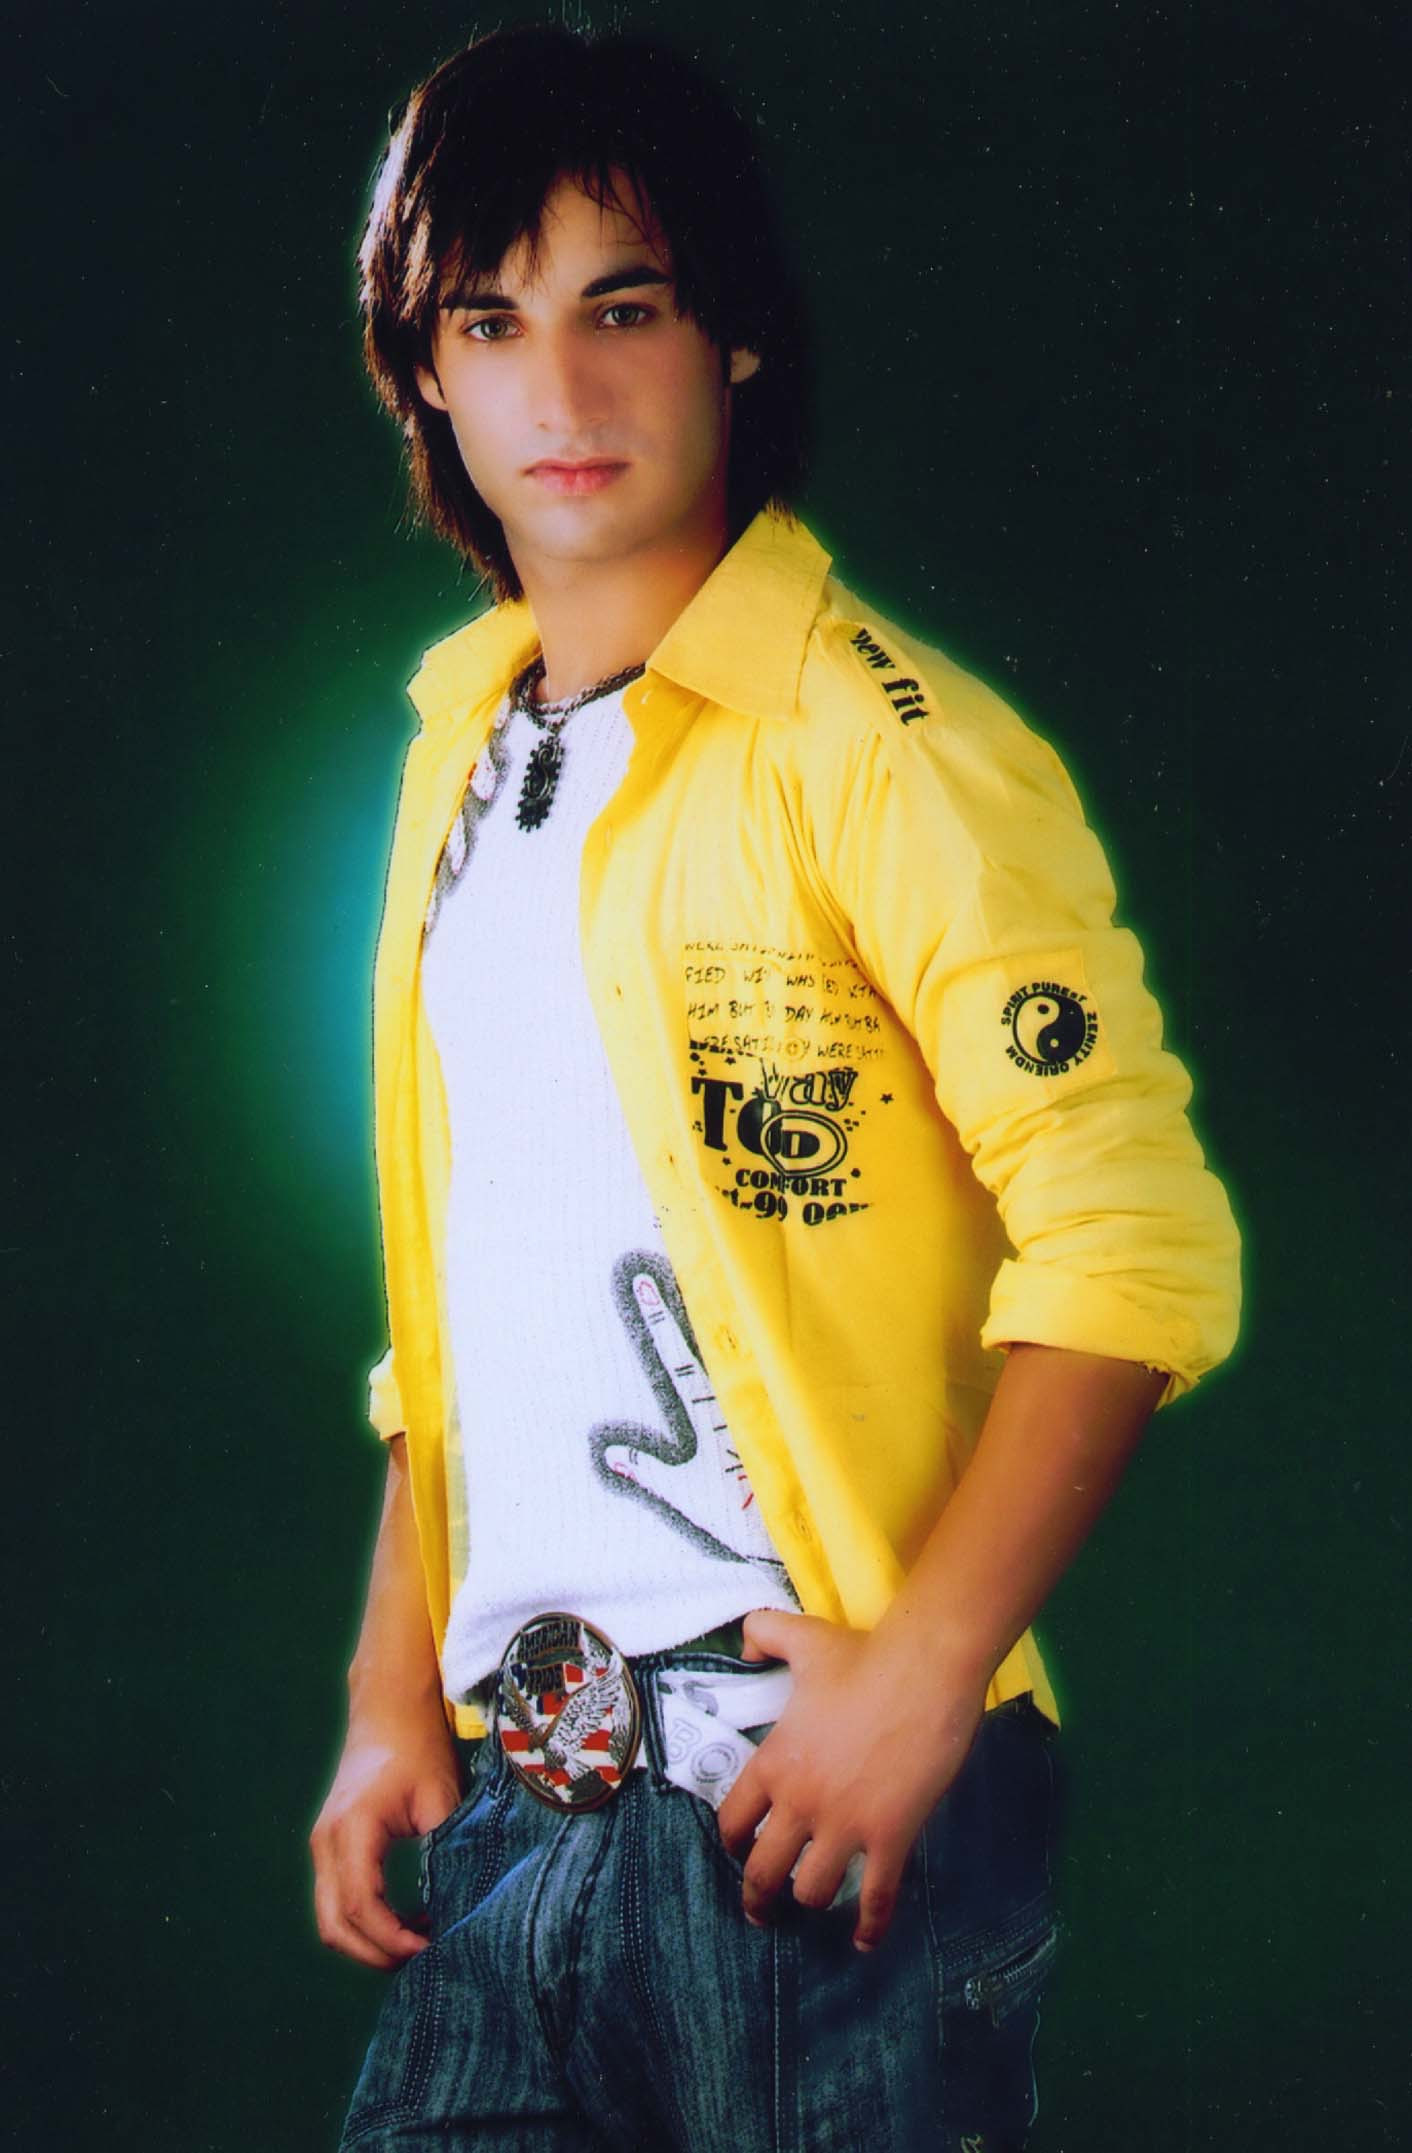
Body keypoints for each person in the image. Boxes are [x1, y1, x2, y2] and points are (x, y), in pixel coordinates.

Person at [310, 22, 1242, 2151]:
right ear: (426, 371)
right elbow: (477, 1305)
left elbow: (1131, 1238)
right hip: (512, 1812)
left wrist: (922, 1678)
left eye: (623, 306)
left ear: (731, 334)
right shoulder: (460, 754)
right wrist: (387, 1695)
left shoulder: (883, 749)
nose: (561, 388)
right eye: (491, 321)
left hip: (811, 1812)